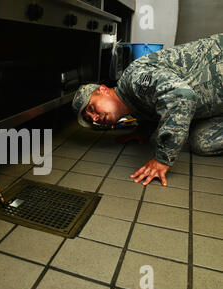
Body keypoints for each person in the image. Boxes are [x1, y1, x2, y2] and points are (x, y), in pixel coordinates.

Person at [72, 33, 223, 187]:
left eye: (92, 108)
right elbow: (154, 102)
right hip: (217, 102)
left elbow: (182, 96)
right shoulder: (132, 103)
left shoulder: (134, 79)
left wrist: (162, 159)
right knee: (202, 142)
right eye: (91, 120)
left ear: (103, 89)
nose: (96, 118)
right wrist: (143, 130)